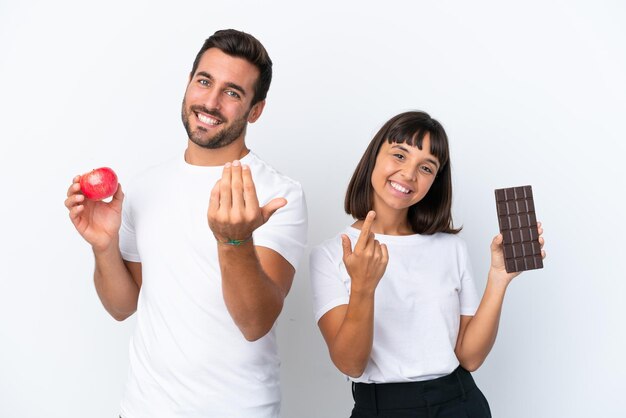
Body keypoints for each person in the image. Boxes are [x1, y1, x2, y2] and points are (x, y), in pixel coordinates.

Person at [64, 29, 307, 418]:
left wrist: (235, 242)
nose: (210, 102)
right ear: (189, 83)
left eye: (232, 92)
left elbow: (255, 322)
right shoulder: (145, 187)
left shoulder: (278, 194)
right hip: (143, 408)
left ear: (255, 110)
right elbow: (122, 306)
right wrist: (104, 247)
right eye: (204, 81)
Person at [309, 111, 545, 417]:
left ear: (434, 181)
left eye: (426, 167)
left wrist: (499, 278)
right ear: (373, 159)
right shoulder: (330, 254)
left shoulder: (451, 248)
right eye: (399, 155)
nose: (408, 174)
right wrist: (363, 287)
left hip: (460, 402)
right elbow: (351, 364)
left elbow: (470, 358)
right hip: (383, 407)